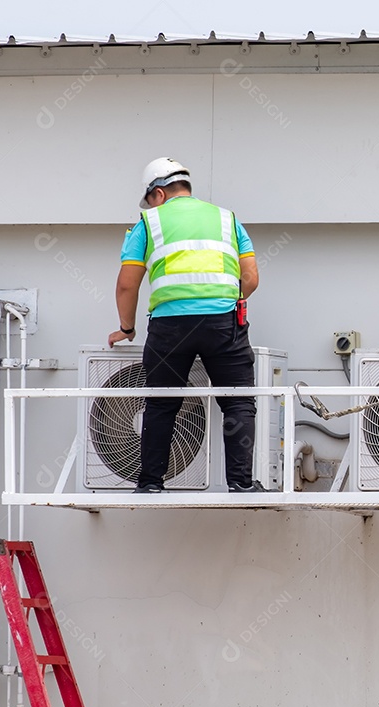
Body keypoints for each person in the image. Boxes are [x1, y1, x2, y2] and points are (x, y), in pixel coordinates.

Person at [108, 158, 263, 493]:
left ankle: (150, 484)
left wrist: (127, 327)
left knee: (162, 402)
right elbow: (250, 278)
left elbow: (126, 285)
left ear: (158, 194)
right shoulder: (227, 219)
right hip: (224, 323)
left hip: (169, 327)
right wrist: (222, 298)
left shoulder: (148, 223)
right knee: (237, 401)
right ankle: (240, 484)